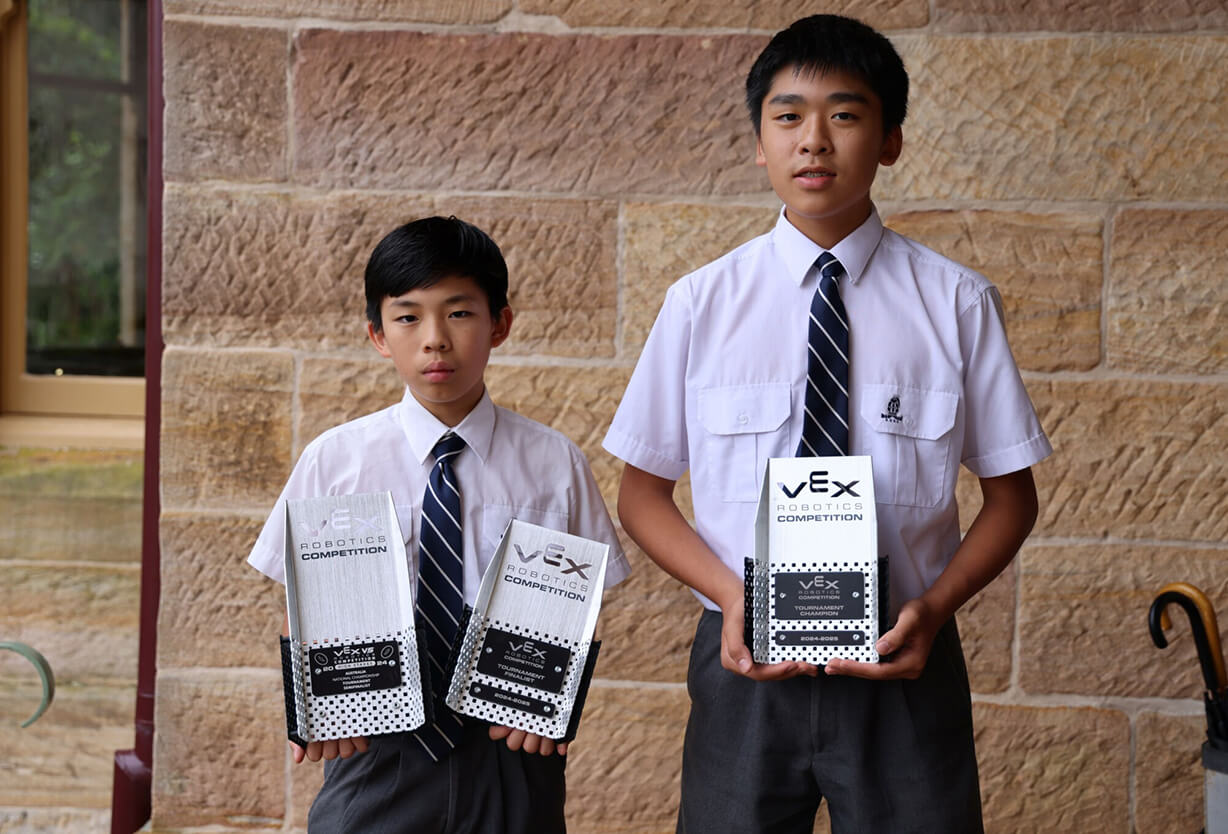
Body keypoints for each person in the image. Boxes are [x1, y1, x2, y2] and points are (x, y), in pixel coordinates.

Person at [602, 14, 1051, 833]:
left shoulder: (955, 303)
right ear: (760, 140)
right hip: (745, 664)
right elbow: (641, 495)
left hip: (903, 660)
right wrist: (730, 598)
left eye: (844, 115)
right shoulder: (701, 304)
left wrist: (934, 609)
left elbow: (1012, 498)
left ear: (891, 141)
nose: (814, 140)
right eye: (788, 116)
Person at [247, 215, 631, 834]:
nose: (434, 339)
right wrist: (317, 703)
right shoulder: (336, 460)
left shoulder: (554, 462)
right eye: (408, 317)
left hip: (511, 754)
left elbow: (581, 604)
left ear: (499, 324)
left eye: (458, 313)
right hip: (375, 750)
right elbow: (303, 596)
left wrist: (550, 699)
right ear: (377, 334)